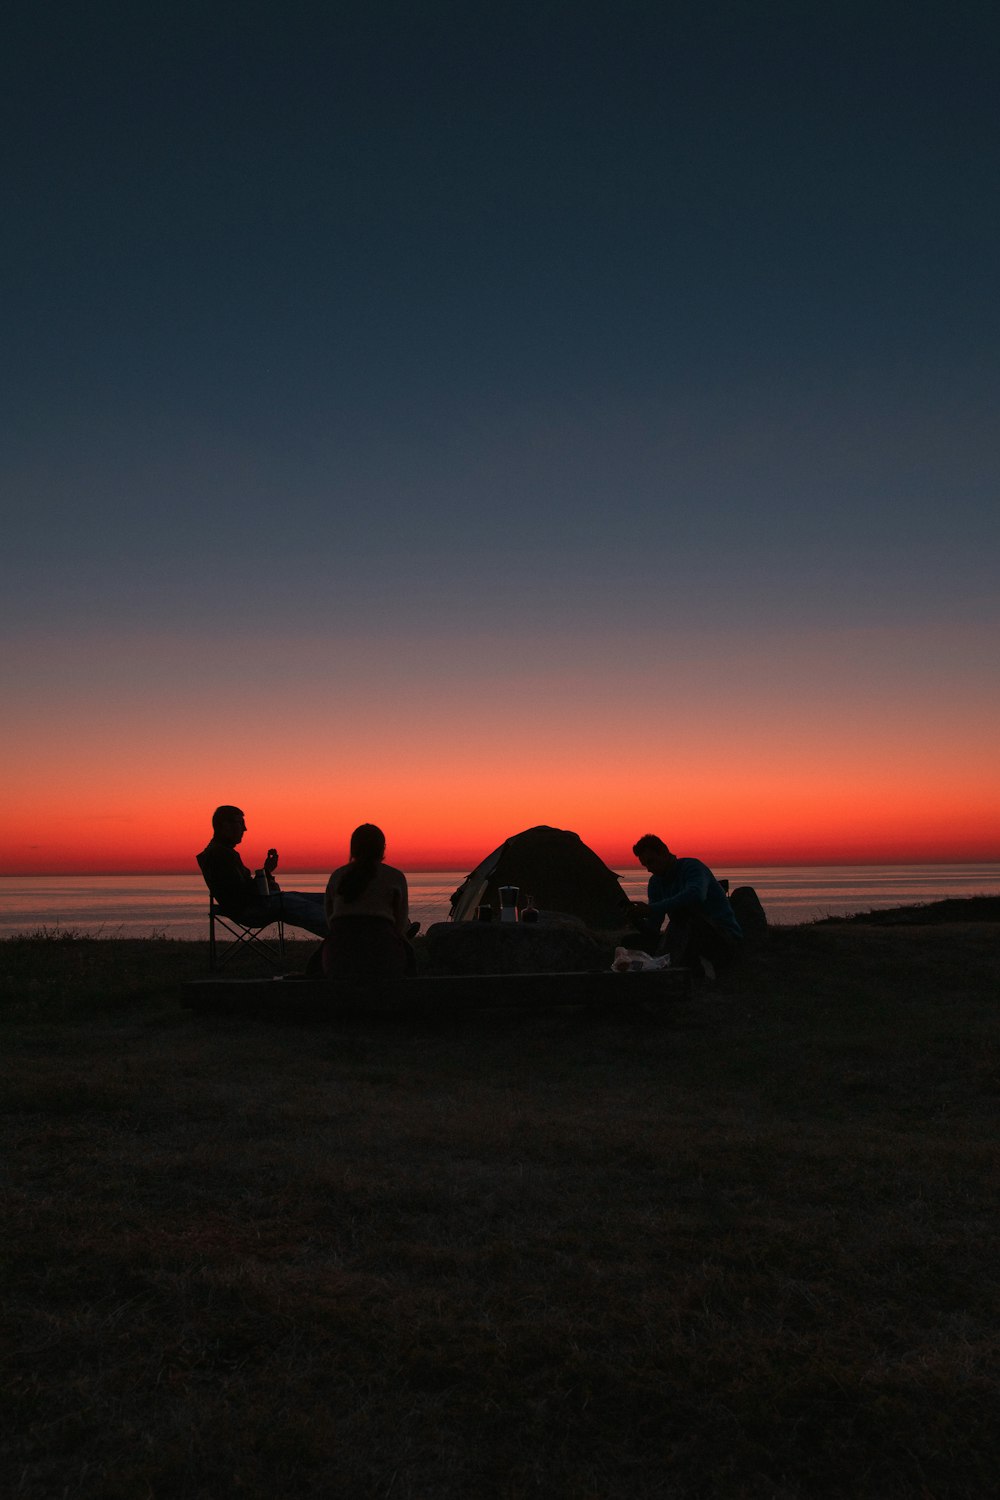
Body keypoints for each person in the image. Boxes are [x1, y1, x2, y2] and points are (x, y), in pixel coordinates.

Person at [197, 806, 328, 937]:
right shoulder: (220, 855)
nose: (245, 828)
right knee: (305, 905)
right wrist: (266, 872)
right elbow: (243, 894)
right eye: (241, 823)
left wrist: (267, 872)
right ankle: (340, 934)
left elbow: (242, 890)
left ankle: (337, 934)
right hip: (251, 910)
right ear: (225, 825)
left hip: (254, 904)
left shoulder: (219, 852)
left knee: (320, 899)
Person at [630, 833, 742, 976]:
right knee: (630, 942)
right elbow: (654, 927)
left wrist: (651, 909)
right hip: (688, 937)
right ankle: (678, 964)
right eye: (645, 865)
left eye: (651, 862)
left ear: (664, 852)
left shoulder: (692, 867)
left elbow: (695, 895)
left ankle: (682, 968)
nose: (649, 869)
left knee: (682, 914)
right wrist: (635, 918)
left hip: (723, 937)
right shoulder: (655, 883)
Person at [323, 824, 415, 979]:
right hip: (383, 957)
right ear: (382, 848)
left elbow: (330, 920)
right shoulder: (395, 877)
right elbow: (399, 926)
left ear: (353, 848)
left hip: (338, 958)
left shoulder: (337, 876)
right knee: (410, 956)